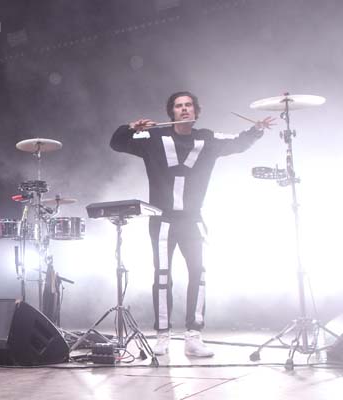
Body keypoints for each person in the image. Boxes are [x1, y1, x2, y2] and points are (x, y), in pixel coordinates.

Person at [110, 91, 275, 357]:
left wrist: (256, 130)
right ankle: (162, 335)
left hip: (192, 221)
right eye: (178, 106)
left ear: (196, 111)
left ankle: (193, 336)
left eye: (188, 105)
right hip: (162, 220)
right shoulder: (153, 138)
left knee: (198, 276)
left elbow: (238, 142)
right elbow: (117, 143)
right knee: (162, 277)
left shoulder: (207, 139)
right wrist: (131, 127)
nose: (184, 109)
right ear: (171, 112)